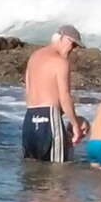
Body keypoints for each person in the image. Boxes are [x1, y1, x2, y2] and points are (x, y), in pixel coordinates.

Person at [22, 25, 87, 162]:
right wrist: (75, 125)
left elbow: (28, 91)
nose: (73, 49)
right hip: (50, 118)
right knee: (57, 172)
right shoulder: (61, 62)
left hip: (29, 118)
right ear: (62, 38)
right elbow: (65, 97)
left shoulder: (34, 56)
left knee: (31, 171)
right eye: (72, 44)